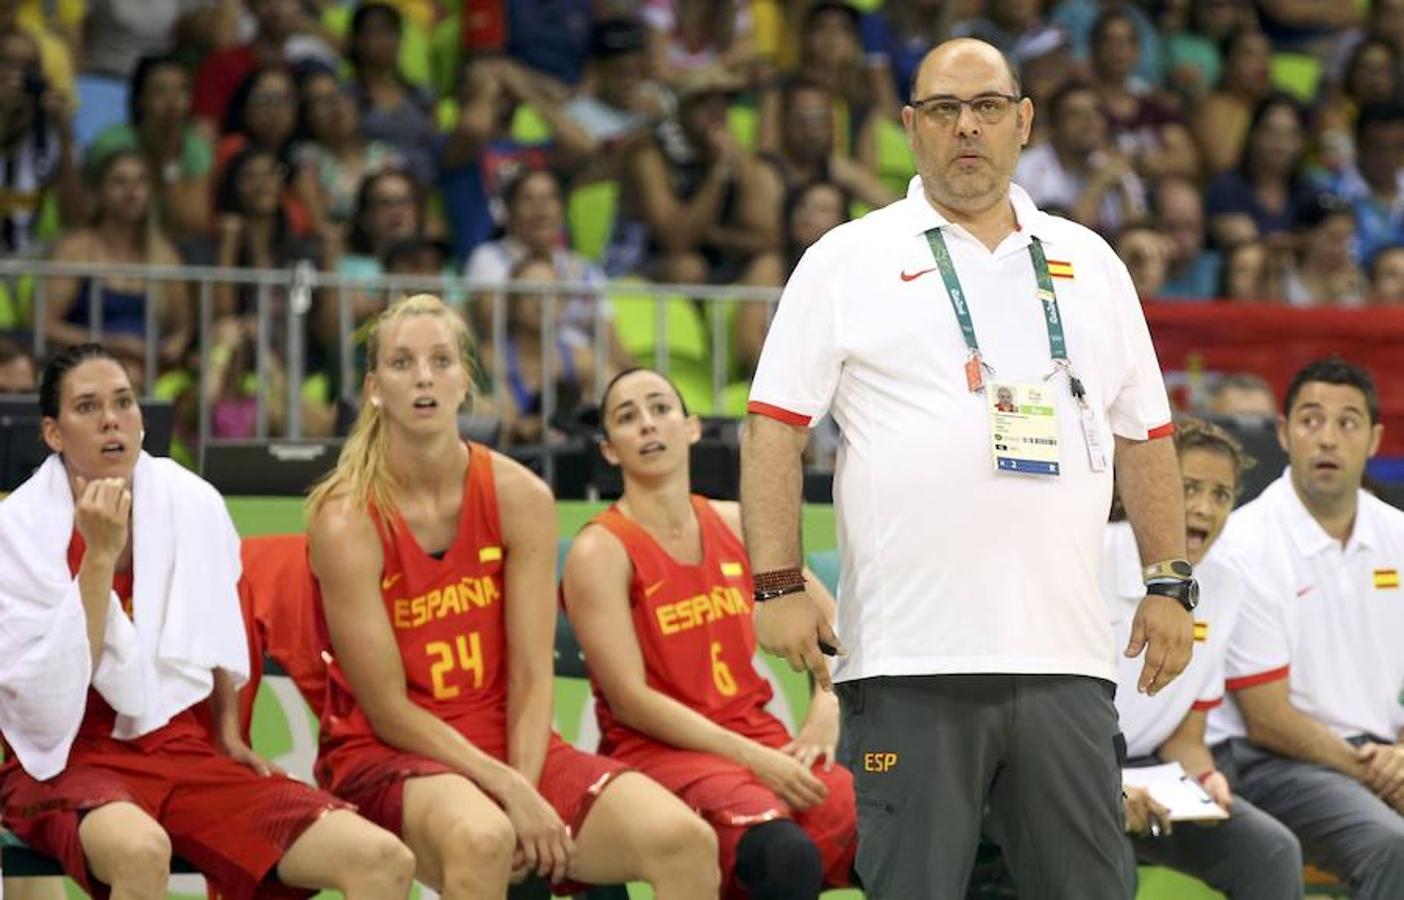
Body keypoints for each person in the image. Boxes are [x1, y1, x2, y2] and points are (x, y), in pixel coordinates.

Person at [739, 38, 1194, 898]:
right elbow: (773, 429)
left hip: (1065, 656)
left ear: (1023, 121)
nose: (967, 128)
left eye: (987, 107)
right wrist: (776, 582)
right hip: (909, 659)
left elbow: (1146, 433)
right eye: (944, 111)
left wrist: (1170, 582)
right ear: (911, 128)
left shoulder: (1092, 262)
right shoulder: (846, 258)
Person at [304, 294, 721, 900]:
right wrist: (509, 792)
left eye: (441, 360)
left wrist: (522, 785)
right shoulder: (345, 518)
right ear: (374, 388)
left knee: (686, 841)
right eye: (402, 364)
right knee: (484, 838)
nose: (423, 377)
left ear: (465, 380)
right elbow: (388, 708)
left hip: (511, 746)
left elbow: (531, 671)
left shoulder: (520, 495)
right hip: (389, 753)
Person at [0, 343, 415, 900]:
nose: (110, 420)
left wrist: (225, 733)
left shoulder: (190, 501)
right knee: (142, 851)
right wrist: (99, 555)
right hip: (69, 757)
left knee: (381, 859)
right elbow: (41, 697)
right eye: (87, 407)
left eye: (124, 402)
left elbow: (216, 629)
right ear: (53, 433)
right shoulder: (17, 531)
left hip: (182, 751)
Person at [562, 366, 858, 899]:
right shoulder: (599, 550)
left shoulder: (735, 523)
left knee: (887, 833)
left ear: (692, 427)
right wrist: (752, 758)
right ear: (610, 451)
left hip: (761, 741)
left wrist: (824, 710)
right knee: (783, 857)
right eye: (628, 418)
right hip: (659, 755)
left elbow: (836, 624)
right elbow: (629, 701)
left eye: (660, 408)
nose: (648, 425)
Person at [1210, 357, 1404, 899]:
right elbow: (1268, 718)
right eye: (1311, 420)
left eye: (1347, 423)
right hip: (1274, 762)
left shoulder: (1399, 536)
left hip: (1383, 755)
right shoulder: (1244, 546)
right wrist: (1379, 773)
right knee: (1393, 845)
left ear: (1374, 439)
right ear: (1282, 433)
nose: (1328, 439)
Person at [1107, 417, 1304, 898]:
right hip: (1072, 770)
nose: (1203, 508)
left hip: (1157, 773)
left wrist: (1208, 777)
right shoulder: (1091, 557)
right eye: (1188, 487)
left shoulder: (1224, 584)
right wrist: (1108, 789)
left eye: (1221, 496)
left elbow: (1187, 735)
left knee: (1273, 851)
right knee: (1110, 873)